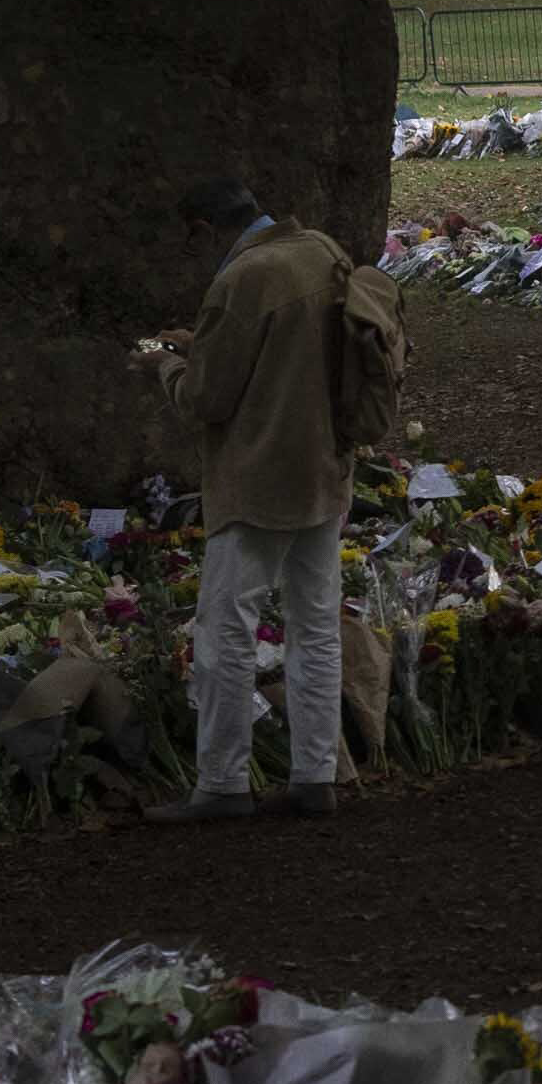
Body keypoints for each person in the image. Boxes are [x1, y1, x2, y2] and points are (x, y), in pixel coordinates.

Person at [144, 173, 353, 825]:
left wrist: (164, 363)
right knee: (315, 625)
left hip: (259, 479)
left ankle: (223, 782)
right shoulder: (323, 252)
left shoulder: (240, 281)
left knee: (225, 630)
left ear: (209, 229)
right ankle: (316, 775)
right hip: (324, 468)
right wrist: (198, 344)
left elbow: (206, 398)